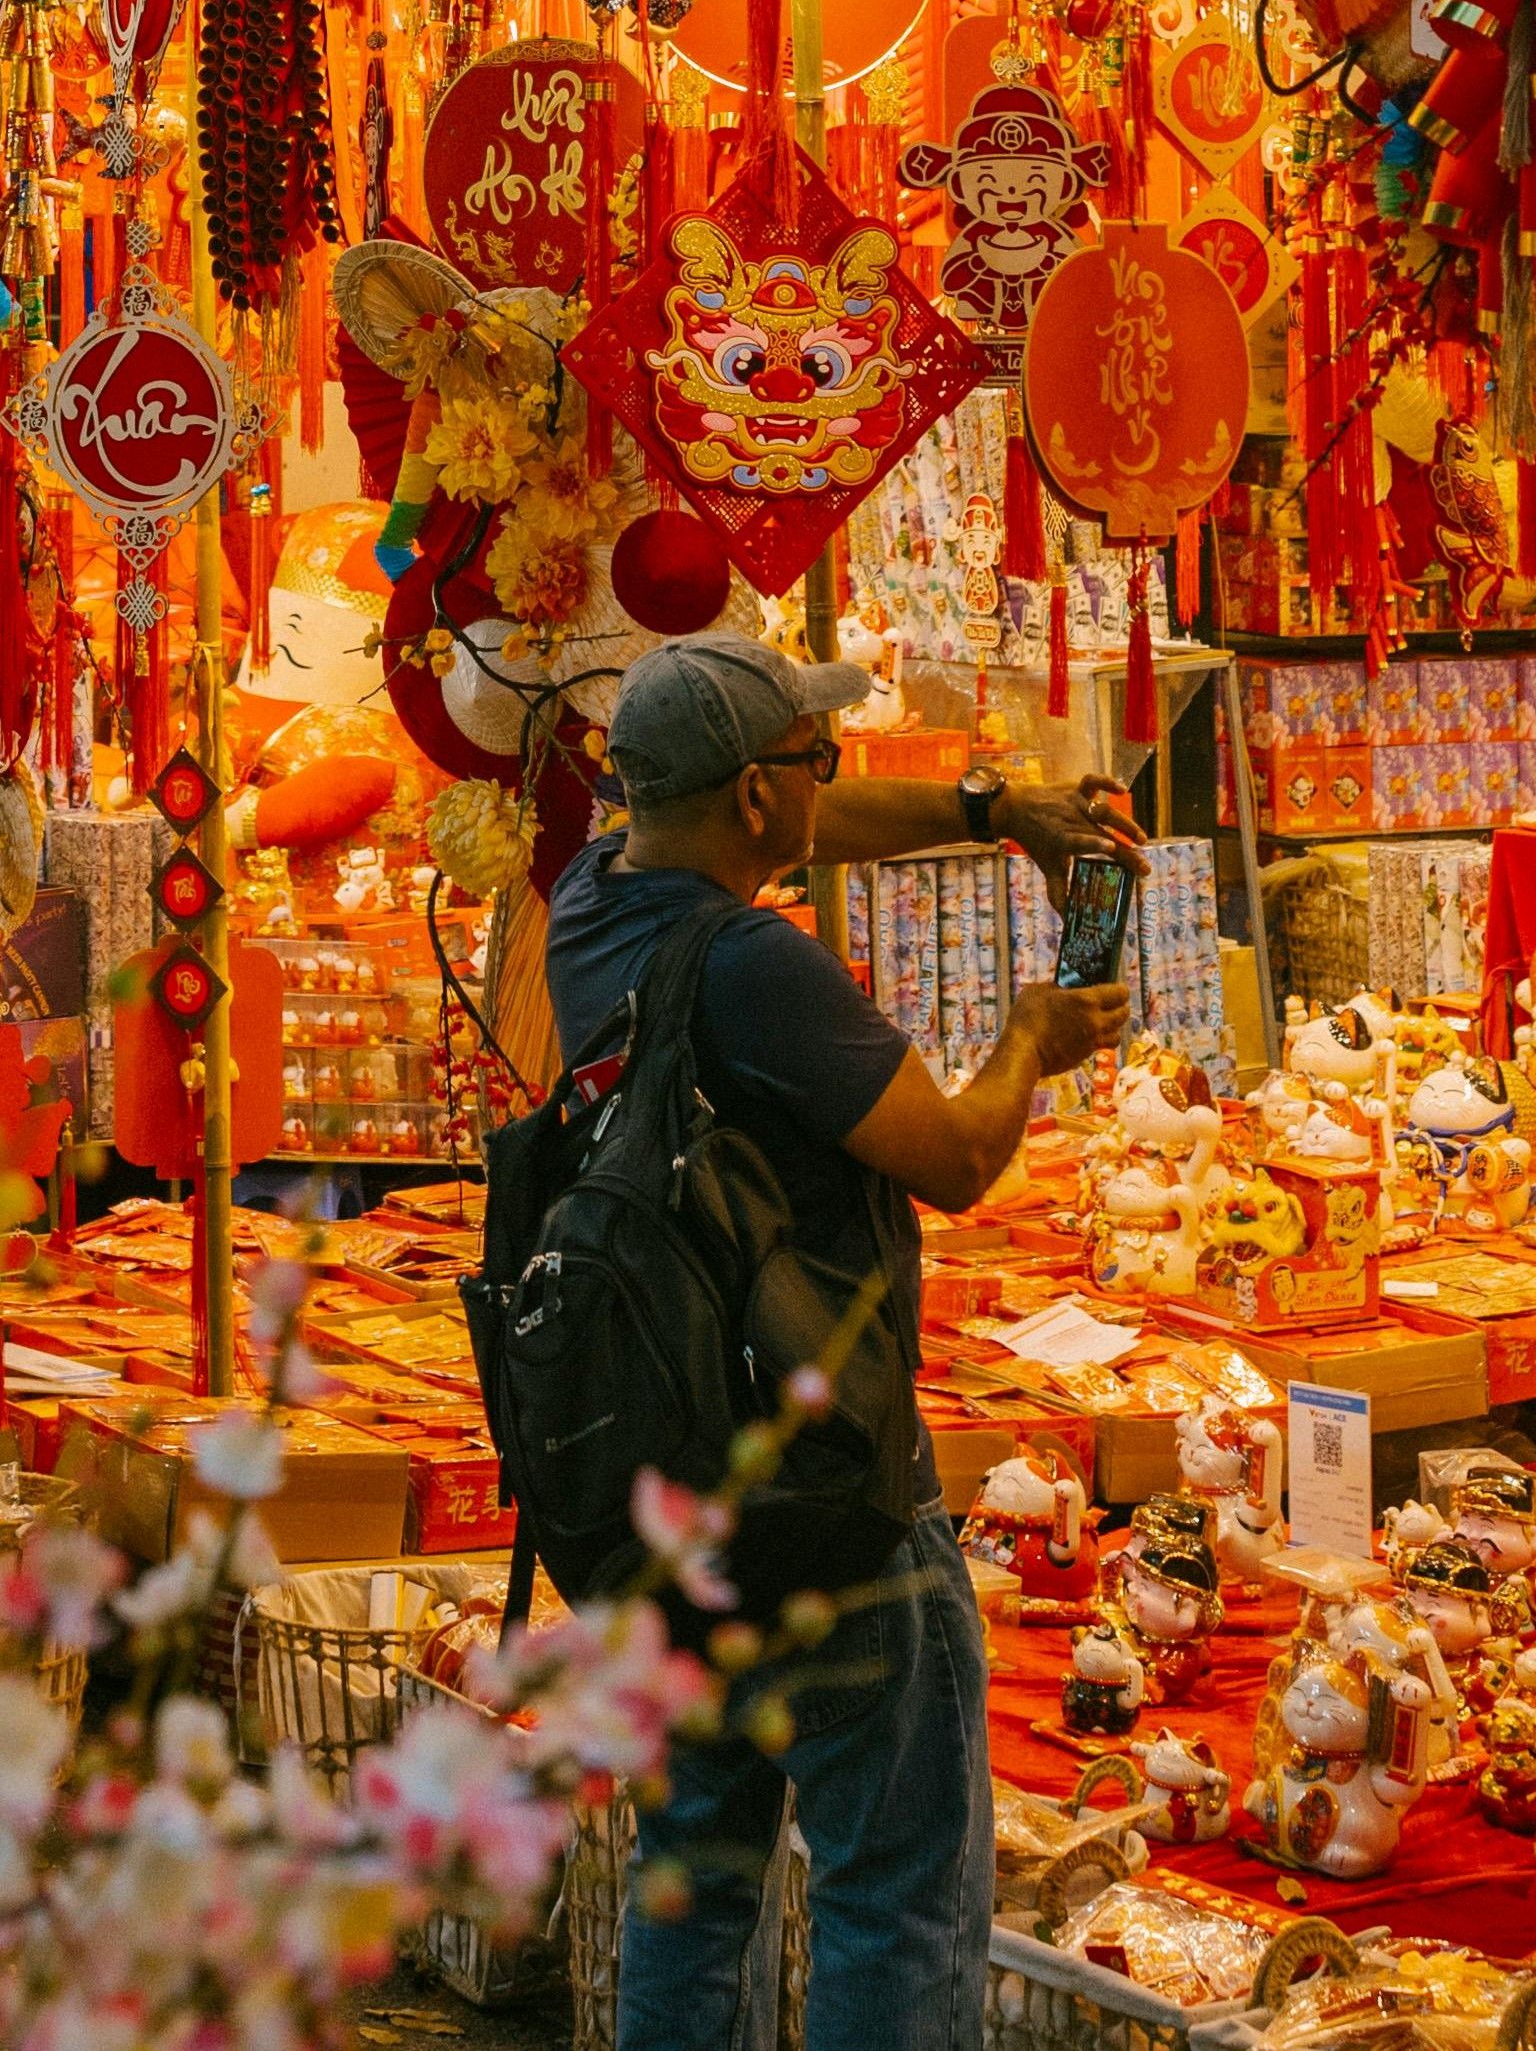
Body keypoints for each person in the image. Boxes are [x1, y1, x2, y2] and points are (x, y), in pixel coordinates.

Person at [549, 631, 1134, 2051]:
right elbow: (947, 1157)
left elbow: (816, 822)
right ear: (753, 796)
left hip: (672, 1489)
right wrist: (1031, 1043)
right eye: (811, 759)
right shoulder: (758, 968)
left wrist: (996, 815)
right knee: (898, 1895)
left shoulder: (596, 901)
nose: (828, 780)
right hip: (829, 1503)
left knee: (696, 1885)